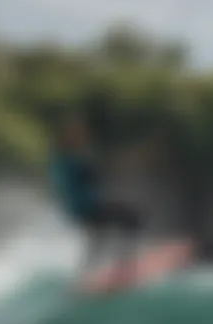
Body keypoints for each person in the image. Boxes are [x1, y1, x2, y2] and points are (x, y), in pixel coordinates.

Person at [49, 112, 143, 282]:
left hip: (77, 210)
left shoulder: (59, 160)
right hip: (87, 208)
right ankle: (125, 269)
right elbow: (94, 174)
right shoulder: (72, 161)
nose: (82, 137)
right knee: (132, 218)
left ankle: (84, 274)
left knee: (98, 238)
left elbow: (90, 176)